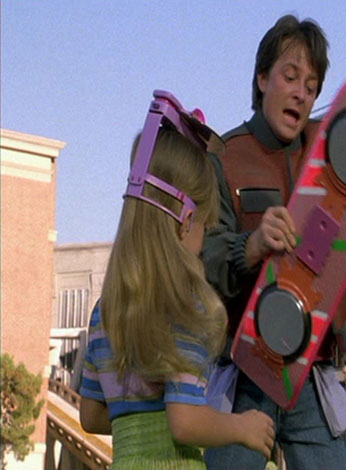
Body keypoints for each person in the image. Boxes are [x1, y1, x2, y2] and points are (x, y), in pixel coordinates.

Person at [202, 14, 346, 470]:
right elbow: (205, 260)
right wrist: (251, 245)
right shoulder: (224, 157)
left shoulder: (332, 143)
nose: (302, 93)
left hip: (313, 369)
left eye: (313, 85)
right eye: (290, 77)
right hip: (246, 371)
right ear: (262, 79)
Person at [79, 122, 275, 469]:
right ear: (186, 222)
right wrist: (242, 427)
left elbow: (91, 416)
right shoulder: (185, 306)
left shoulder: (104, 311)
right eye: (205, 226)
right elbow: (184, 422)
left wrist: (139, 427)